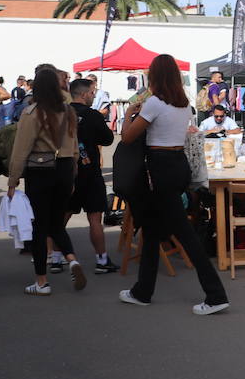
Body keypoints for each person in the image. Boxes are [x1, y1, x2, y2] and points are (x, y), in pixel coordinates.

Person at [119, 53, 229, 315]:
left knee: (183, 233)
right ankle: (142, 290)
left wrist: (127, 115)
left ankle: (215, 295)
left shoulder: (154, 104)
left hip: (161, 167)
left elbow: (126, 138)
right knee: (154, 230)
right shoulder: (183, 104)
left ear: (155, 76)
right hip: (178, 163)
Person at [8, 67, 85, 296]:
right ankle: (71, 260)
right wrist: (72, 175)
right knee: (56, 222)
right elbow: (74, 148)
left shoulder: (33, 113)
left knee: (39, 227)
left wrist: (13, 180)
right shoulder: (68, 112)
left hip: (40, 169)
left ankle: (41, 281)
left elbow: (21, 149)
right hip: (64, 168)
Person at [66, 78, 118, 274]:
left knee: (62, 215)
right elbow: (108, 138)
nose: (94, 95)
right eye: (92, 92)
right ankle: (102, 260)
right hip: (90, 172)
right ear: (84, 94)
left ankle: (54, 257)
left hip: (67, 171)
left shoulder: (62, 113)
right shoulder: (92, 115)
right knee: (95, 217)